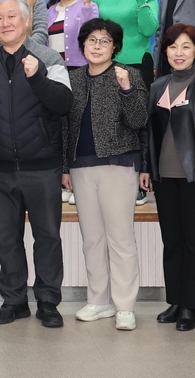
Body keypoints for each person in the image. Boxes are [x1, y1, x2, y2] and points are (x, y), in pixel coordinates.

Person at [0, 0, 73, 328]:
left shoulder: (49, 58)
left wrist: (37, 76)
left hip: (43, 165)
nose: (5, 23)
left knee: (47, 237)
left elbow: (64, 104)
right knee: (6, 238)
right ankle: (13, 300)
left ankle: (48, 301)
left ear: (27, 21)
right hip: (0, 168)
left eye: (12, 16)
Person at [62, 19, 148, 331]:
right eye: (92, 40)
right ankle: (99, 301)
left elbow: (140, 120)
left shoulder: (128, 74)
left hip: (118, 164)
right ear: (82, 45)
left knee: (120, 238)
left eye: (104, 41)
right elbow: (65, 126)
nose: (97, 46)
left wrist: (126, 89)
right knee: (92, 239)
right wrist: (65, 168)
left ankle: (124, 306)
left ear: (115, 47)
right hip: (80, 167)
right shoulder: (73, 78)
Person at [142, 23, 195, 332]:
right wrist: (146, 168)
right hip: (164, 176)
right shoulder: (157, 85)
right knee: (171, 241)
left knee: (193, 241)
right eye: (173, 46)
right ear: (165, 51)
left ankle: (192, 305)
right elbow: (149, 132)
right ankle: (175, 300)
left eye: (186, 46)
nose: (179, 52)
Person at [46, 0, 99, 68]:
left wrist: (86, 5)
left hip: (81, 68)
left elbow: (90, 34)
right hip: (53, 69)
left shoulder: (89, 6)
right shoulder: (49, 11)